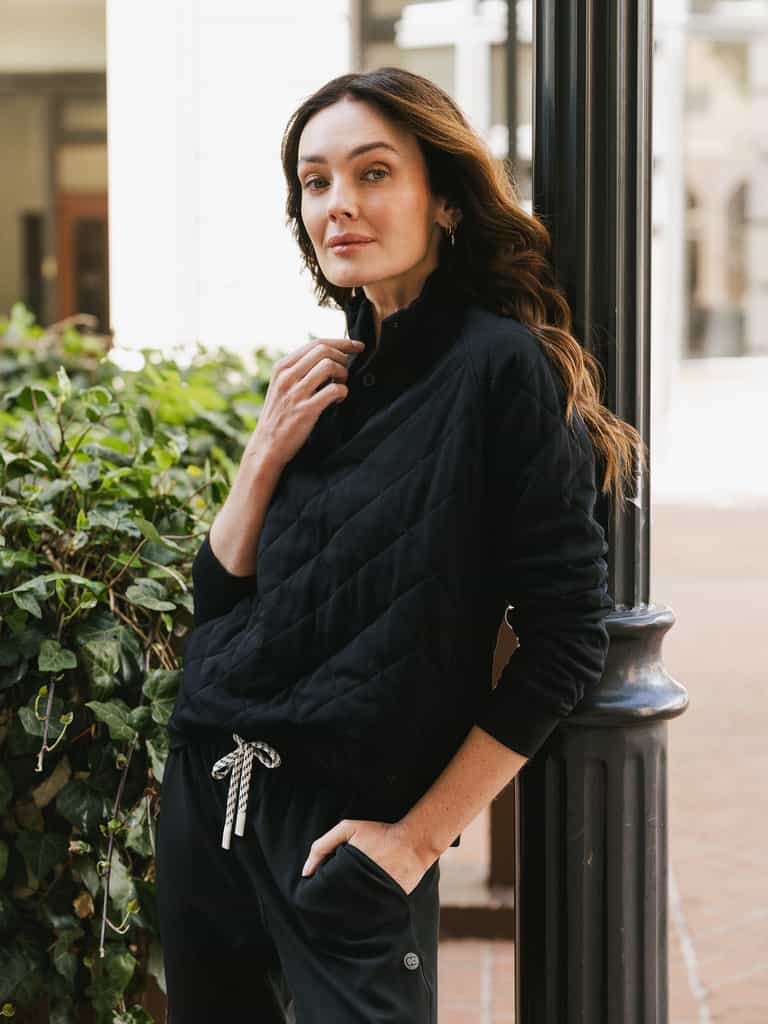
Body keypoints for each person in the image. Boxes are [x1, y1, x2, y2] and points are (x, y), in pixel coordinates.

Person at [156, 67, 644, 1023]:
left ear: (447, 202)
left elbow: (568, 638)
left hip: (346, 827)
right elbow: (219, 599)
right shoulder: (328, 373)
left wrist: (420, 842)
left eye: (372, 173)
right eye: (316, 182)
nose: (339, 204)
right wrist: (262, 452)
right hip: (209, 793)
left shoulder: (497, 367)